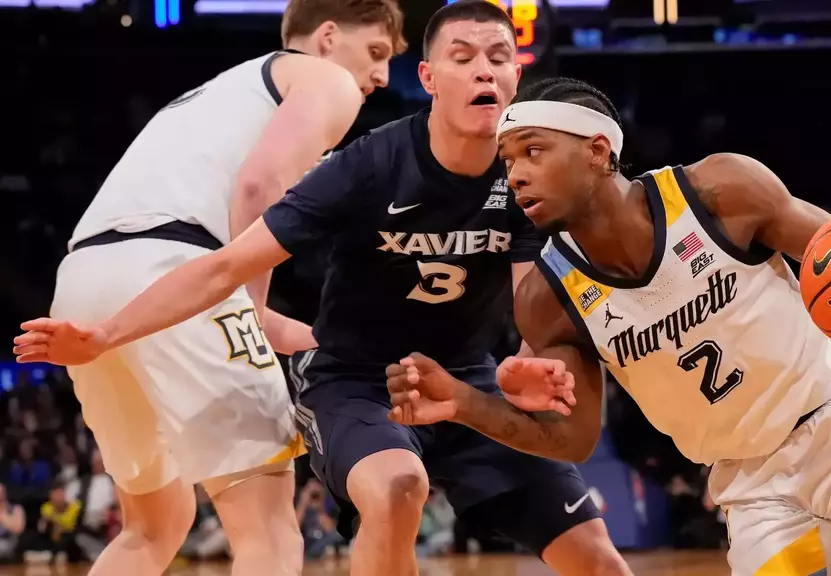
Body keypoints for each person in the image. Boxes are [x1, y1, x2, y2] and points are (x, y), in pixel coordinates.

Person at [12, 3, 629, 576]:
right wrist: (113, 333)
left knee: (596, 556)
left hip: (468, 380)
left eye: (498, 56)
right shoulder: (363, 160)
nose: (483, 71)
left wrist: (528, 358)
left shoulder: (524, 175)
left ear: (517, 76)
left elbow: (533, 303)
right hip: (359, 383)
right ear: (430, 77)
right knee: (381, 494)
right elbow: (229, 260)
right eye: (462, 57)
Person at [381, 77, 831, 576]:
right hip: (750, 487)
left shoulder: (719, 191)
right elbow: (573, 440)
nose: (516, 175)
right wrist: (463, 402)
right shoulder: (548, 297)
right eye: (508, 161)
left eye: (533, 151)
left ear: (597, 149)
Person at [12, 1, 405, 574]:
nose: (380, 75)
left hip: (86, 279)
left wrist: (293, 332)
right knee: (270, 534)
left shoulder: (220, 92)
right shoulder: (328, 81)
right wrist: (252, 313)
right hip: (173, 264)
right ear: (326, 37)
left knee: (154, 525)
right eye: (375, 52)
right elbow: (259, 187)